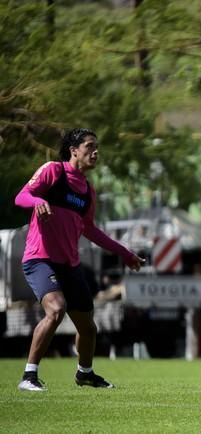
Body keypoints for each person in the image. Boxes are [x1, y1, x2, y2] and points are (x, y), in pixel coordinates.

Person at [15, 128, 146, 392]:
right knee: (55, 310)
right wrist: (37, 200)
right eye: (89, 146)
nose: (95, 152)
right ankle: (29, 376)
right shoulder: (54, 171)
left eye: (97, 147)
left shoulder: (87, 190)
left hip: (69, 264)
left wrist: (125, 253)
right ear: (74, 150)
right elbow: (21, 197)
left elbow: (91, 230)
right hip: (40, 258)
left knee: (88, 328)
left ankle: (84, 374)